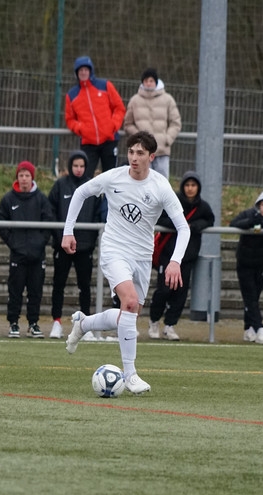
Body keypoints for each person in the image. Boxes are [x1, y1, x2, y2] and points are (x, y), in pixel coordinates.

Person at [61, 131, 191, 394]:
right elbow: (80, 193)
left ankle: (84, 324)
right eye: (131, 152)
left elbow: (183, 228)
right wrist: (68, 230)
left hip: (143, 256)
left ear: (152, 157)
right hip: (114, 249)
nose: (134, 157)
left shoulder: (160, 186)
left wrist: (175, 261)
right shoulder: (114, 177)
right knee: (129, 302)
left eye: (140, 153)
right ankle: (130, 374)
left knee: (129, 315)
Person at [147, 171, 214, 340]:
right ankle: (154, 320)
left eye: (193, 185)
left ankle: (170, 325)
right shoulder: (172, 201)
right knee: (163, 290)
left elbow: (209, 220)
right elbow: (159, 219)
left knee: (181, 293)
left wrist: (195, 226)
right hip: (168, 255)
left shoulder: (203, 206)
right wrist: (179, 223)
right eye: (187, 185)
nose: (190, 189)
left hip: (188, 257)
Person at [0, 160, 55, 338]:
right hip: (18, 254)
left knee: (35, 291)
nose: (24, 179)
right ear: (17, 177)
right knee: (15, 290)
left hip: (37, 255)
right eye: (21, 175)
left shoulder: (41, 199)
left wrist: (40, 242)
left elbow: (48, 223)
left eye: (27, 175)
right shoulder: (8, 199)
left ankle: (33, 323)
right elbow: (1, 223)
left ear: (32, 177)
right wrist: (14, 243)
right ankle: (13, 323)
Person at [48, 150, 102, 339]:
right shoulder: (60, 185)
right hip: (62, 247)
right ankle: (56, 322)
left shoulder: (92, 187)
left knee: (84, 285)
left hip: (84, 246)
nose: (78, 169)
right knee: (59, 284)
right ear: (70, 166)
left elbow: (97, 215)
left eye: (82, 166)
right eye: (75, 166)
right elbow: (51, 212)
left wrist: (90, 239)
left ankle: (85, 326)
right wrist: (60, 236)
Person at [229, 190, 263, 344]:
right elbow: (234, 223)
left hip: (260, 264)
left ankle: (249, 329)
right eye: (262, 205)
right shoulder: (249, 214)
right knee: (250, 297)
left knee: (255, 296)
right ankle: (260, 328)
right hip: (244, 262)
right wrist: (251, 222)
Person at [64, 55, 126, 177]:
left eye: (86, 70)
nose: (83, 72)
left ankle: (108, 197)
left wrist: (113, 125)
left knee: (111, 177)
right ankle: (92, 197)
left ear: (90, 70)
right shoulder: (72, 95)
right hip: (88, 143)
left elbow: (119, 108)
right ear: (76, 73)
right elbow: (69, 119)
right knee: (86, 178)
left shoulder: (105, 86)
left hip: (109, 140)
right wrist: (80, 129)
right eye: (80, 70)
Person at [123, 68, 182, 179]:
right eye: (146, 81)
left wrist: (167, 139)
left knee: (162, 182)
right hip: (142, 151)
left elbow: (175, 122)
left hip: (162, 150)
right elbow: (128, 124)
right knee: (142, 181)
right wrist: (139, 138)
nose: (148, 83)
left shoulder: (168, 99)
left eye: (151, 80)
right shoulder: (135, 100)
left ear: (156, 82)